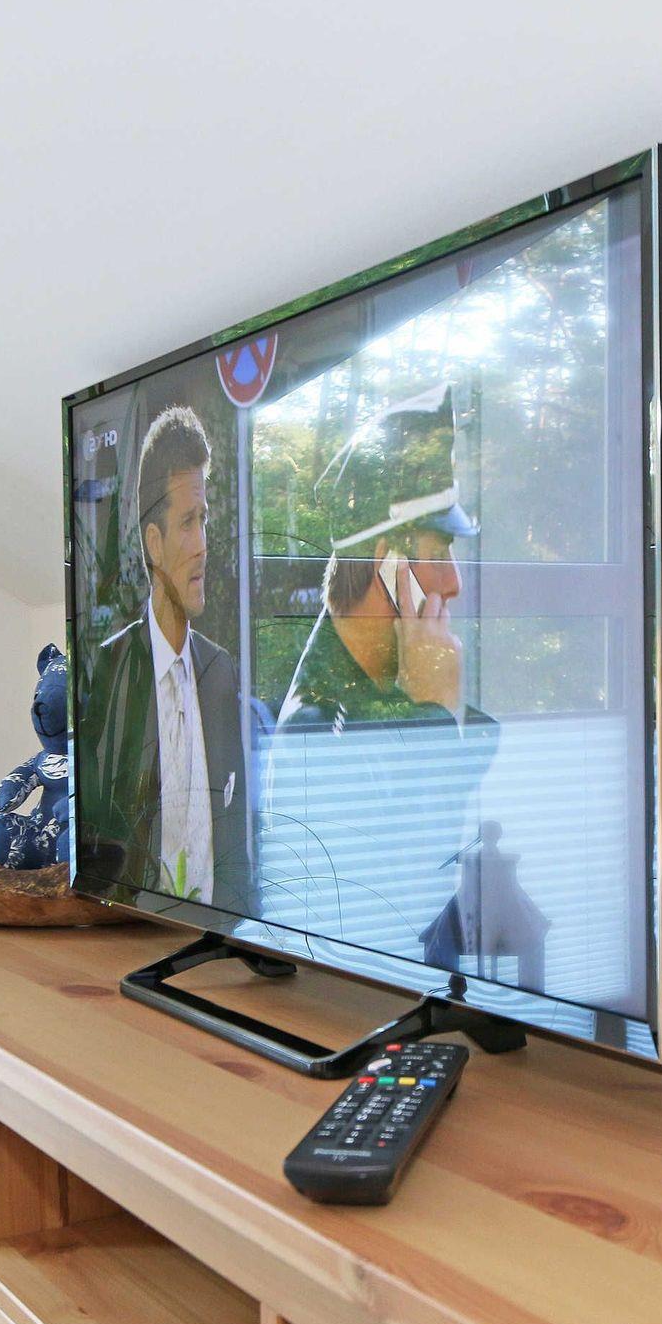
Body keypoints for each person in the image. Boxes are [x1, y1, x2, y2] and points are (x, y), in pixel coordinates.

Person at [257, 383, 499, 967]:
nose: (454, 583)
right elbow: (405, 910)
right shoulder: (319, 729)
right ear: (387, 562)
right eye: (437, 555)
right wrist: (435, 712)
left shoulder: (383, 689)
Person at [77, 404, 253, 913]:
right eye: (187, 523)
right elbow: (98, 844)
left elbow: (237, 843)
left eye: (205, 521)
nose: (202, 545)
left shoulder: (220, 672)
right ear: (154, 543)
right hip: (130, 937)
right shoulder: (109, 670)